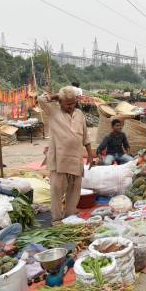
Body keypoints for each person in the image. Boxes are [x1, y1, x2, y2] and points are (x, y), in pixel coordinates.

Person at [38, 86, 94, 225]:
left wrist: (91, 156)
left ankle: (69, 215)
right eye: (67, 103)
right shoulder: (53, 111)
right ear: (60, 102)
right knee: (57, 190)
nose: (70, 106)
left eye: (73, 103)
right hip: (59, 159)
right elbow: (41, 99)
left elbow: (85, 136)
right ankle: (57, 218)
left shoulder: (79, 114)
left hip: (76, 158)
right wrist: (56, 96)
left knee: (74, 190)